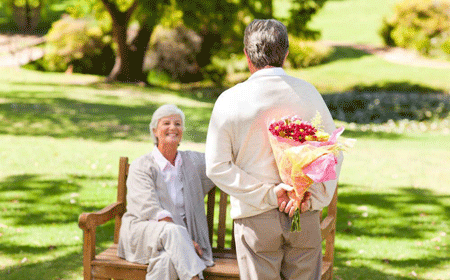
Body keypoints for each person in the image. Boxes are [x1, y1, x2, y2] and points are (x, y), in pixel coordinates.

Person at [205, 19, 343, 280]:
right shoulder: (308, 94)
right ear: (286, 54)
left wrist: (270, 195)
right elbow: (333, 154)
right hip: (304, 212)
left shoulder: (230, 100)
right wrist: (311, 197)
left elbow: (216, 166)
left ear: (247, 55)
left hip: (256, 220)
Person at [118, 104, 215, 280]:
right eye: (166, 123)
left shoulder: (193, 162)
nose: (173, 128)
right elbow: (150, 209)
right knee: (172, 232)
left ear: (182, 132)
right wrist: (186, 242)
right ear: (155, 131)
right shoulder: (142, 166)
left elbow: (220, 163)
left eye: (178, 124)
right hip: (143, 234)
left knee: (168, 260)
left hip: (176, 243)